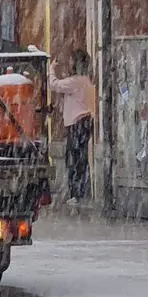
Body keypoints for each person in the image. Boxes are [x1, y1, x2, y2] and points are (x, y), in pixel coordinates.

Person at [49, 49, 95, 205]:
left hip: (77, 124)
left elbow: (54, 85)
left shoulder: (74, 82)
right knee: (81, 158)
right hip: (86, 122)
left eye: (71, 61)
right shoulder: (86, 81)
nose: (69, 64)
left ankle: (75, 193)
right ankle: (80, 192)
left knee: (73, 158)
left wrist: (51, 69)